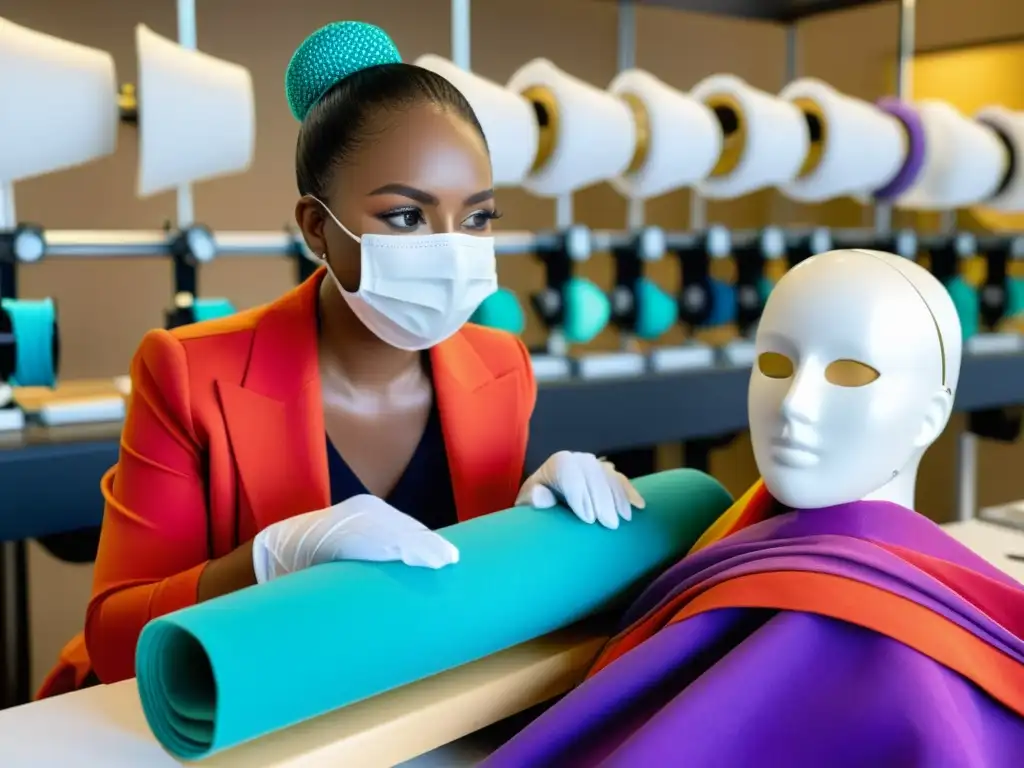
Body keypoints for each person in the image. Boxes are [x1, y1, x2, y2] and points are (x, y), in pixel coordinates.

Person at [38, 21, 643, 698]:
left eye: (476, 218)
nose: (451, 248)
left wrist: (541, 533)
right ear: (317, 227)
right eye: (408, 217)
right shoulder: (186, 373)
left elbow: (468, 599)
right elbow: (118, 642)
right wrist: (268, 562)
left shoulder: (502, 368)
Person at [483, 250, 1024, 767]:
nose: (794, 405)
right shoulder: (731, 532)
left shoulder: (895, 659)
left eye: (851, 372)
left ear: (930, 415)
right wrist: (536, 534)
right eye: (775, 362)